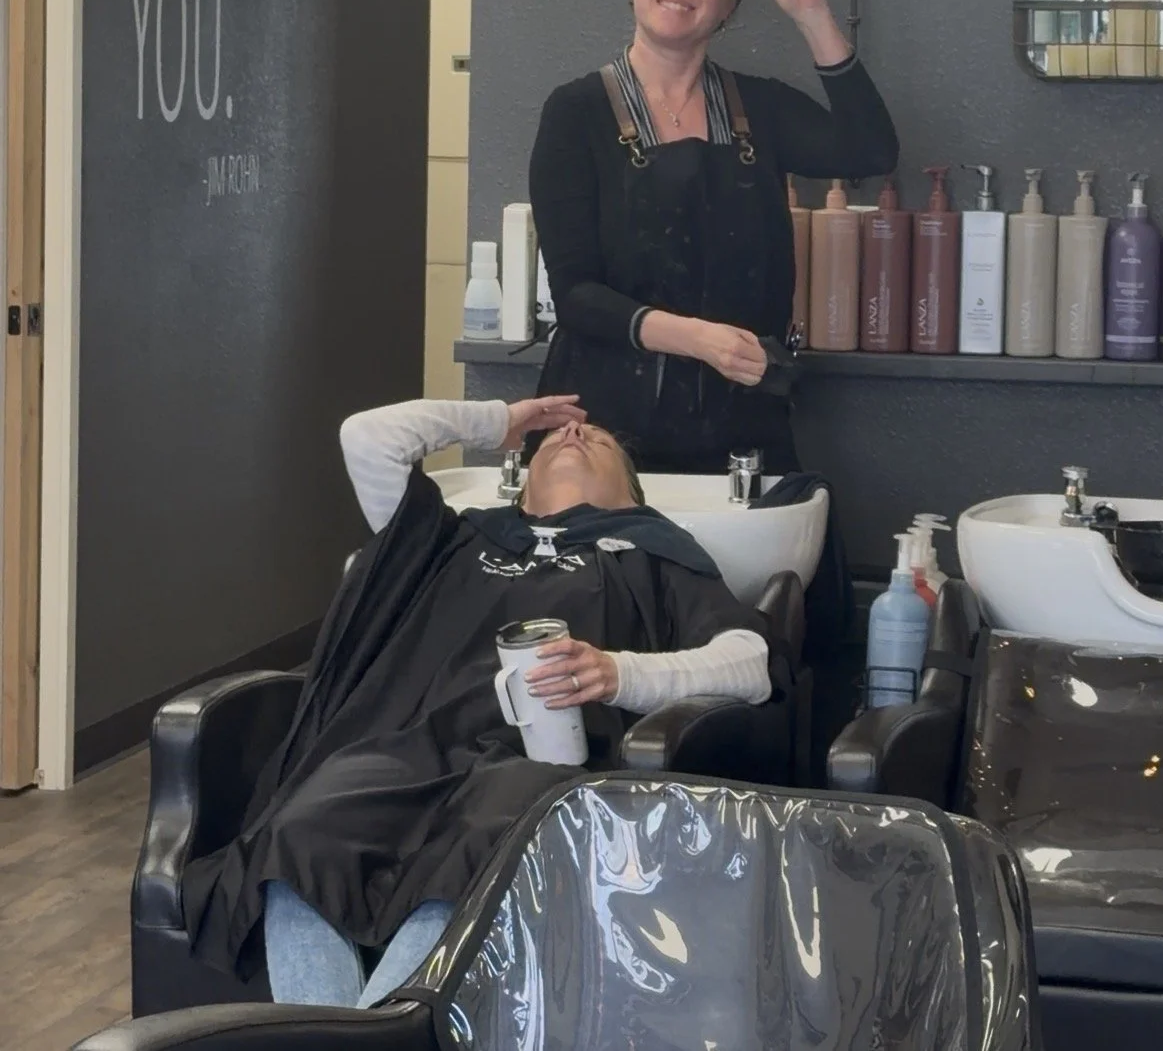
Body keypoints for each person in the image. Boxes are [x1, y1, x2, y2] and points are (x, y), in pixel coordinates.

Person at [181, 394, 775, 1010]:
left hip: (538, 767)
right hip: (404, 750)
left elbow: (749, 663)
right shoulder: (455, 536)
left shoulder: (653, 552)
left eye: (598, 440)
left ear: (632, 493)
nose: (575, 431)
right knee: (298, 832)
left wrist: (617, 672)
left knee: (478, 849)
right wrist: (498, 421)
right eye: (557, 436)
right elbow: (366, 435)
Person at [528, 0, 899, 474]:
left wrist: (810, 12)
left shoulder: (762, 108)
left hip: (741, 423)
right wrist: (700, 340)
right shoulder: (576, 112)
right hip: (603, 432)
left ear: (730, 4)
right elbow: (576, 295)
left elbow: (870, 149)